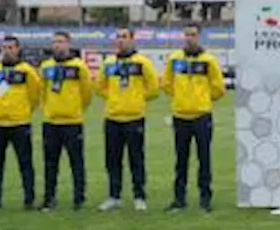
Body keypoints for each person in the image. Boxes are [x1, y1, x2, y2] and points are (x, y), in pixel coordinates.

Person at [161, 23, 226, 213]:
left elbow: (219, 88)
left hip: (201, 116)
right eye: (186, 34)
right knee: (181, 160)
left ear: (200, 37)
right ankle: (179, 199)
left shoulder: (208, 60)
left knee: (204, 159)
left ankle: (205, 199)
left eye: (193, 34)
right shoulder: (174, 59)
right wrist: (181, 97)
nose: (189, 38)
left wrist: (203, 99)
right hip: (180, 116)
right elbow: (166, 83)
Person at [95, 27, 159, 212]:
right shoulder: (108, 63)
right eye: (118, 37)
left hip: (134, 118)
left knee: (136, 158)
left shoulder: (142, 63)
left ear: (132, 40)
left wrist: (136, 99)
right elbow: (99, 87)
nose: (121, 40)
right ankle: (114, 196)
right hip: (112, 118)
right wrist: (115, 99)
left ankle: (139, 196)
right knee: (112, 159)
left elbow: (153, 88)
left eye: (125, 37)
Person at [0, 35, 42, 210]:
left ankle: (29, 200)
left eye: (10, 47)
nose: (7, 51)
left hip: (20, 124)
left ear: (18, 49)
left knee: (25, 164)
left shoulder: (27, 71)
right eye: (4, 47)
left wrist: (22, 112)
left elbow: (34, 96)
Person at [39, 31, 94, 212]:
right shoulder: (46, 67)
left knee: (76, 162)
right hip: (51, 122)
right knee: (50, 163)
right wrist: (49, 110)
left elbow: (86, 94)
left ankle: (78, 198)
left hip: (72, 122)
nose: (57, 45)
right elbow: (42, 93)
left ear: (68, 44)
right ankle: (49, 198)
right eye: (55, 42)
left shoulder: (79, 67)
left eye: (61, 42)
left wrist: (75, 109)